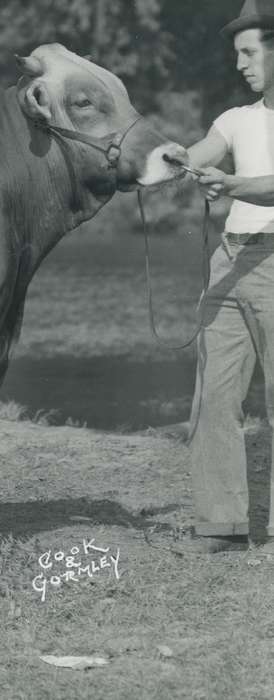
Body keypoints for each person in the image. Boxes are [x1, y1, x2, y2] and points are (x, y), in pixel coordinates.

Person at [184, 0, 274, 552]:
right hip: (230, 260)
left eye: (249, 51)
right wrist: (165, 162)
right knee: (213, 397)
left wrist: (231, 184)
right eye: (237, 55)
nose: (240, 64)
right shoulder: (234, 119)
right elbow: (198, 155)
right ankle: (221, 525)